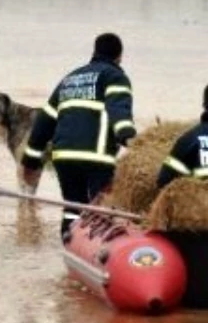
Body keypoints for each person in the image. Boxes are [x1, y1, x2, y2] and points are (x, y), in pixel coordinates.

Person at [19, 33, 137, 239]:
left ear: (94, 52)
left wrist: (30, 160)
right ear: (120, 56)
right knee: (102, 211)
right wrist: (131, 140)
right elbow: (119, 111)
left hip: (64, 158)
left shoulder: (70, 79)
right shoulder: (115, 76)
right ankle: (98, 254)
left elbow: (44, 122)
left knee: (73, 209)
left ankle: (70, 247)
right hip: (96, 158)